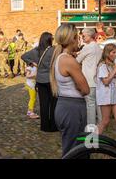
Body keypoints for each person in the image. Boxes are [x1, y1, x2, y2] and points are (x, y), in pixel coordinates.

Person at [49, 23, 90, 157]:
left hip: (64, 105)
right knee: (74, 152)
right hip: (73, 108)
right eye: (78, 37)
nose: (79, 40)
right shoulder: (69, 60)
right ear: (72, 38)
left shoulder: (59, 57)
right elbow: (85, 89)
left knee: (72, 148)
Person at [22, 32, 58, 132]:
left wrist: (32, 63)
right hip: (51, 79)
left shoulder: (36, 51)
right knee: (53, 103)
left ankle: (44, 126)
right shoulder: (53, 50)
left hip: (40, 80)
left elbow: (23, 56)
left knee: (43, 103)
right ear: (49, 40)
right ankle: (53, 126)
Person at [96, 44, 116, 144]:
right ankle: (90, 141)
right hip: (105, 96)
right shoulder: (102, 66)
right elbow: (105, 82)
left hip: (113, 95)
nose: (115, 55)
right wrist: (115, 70)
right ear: (107, 53)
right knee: (105, 121)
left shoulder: (112, 65)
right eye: (113, 52)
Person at [76, 28, 103, 127]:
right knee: (98, 104)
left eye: (83, 36)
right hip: (97, 79)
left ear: (89, 36)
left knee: (90, 104)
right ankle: (101, 124)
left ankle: (91, 126)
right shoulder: (98, 47)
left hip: (88, 79)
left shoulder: (87, 47)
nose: (82, 38)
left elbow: (77, 61)